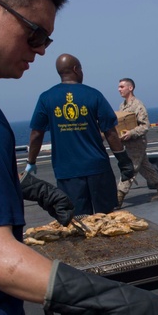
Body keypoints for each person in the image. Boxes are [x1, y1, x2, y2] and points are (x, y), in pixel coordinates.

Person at [0, 0, 158, 314]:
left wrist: (29, 186)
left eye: (47, 41)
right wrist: (121, 300)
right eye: (34, 34)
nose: (40, 51)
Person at [27, 54, 135, 215]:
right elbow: (110, 132)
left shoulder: (46, 98)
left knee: (78, 220)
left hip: (67, 171)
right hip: (97, 168)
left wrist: (31, 161)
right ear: (76, 69)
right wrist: (123, 161)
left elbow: (36, 134)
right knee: (107, 218)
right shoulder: (93, 95)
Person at [116, 78, 158, 208]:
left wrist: (131, 133)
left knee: (129, 169)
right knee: (146, 167)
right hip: (128, 143)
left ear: (130, 88)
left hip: (137, 143)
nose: (119, 89)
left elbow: (145, 126)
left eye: (122, 86)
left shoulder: (138, 105)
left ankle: (118, 199)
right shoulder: (122, 106)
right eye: (119, 87)